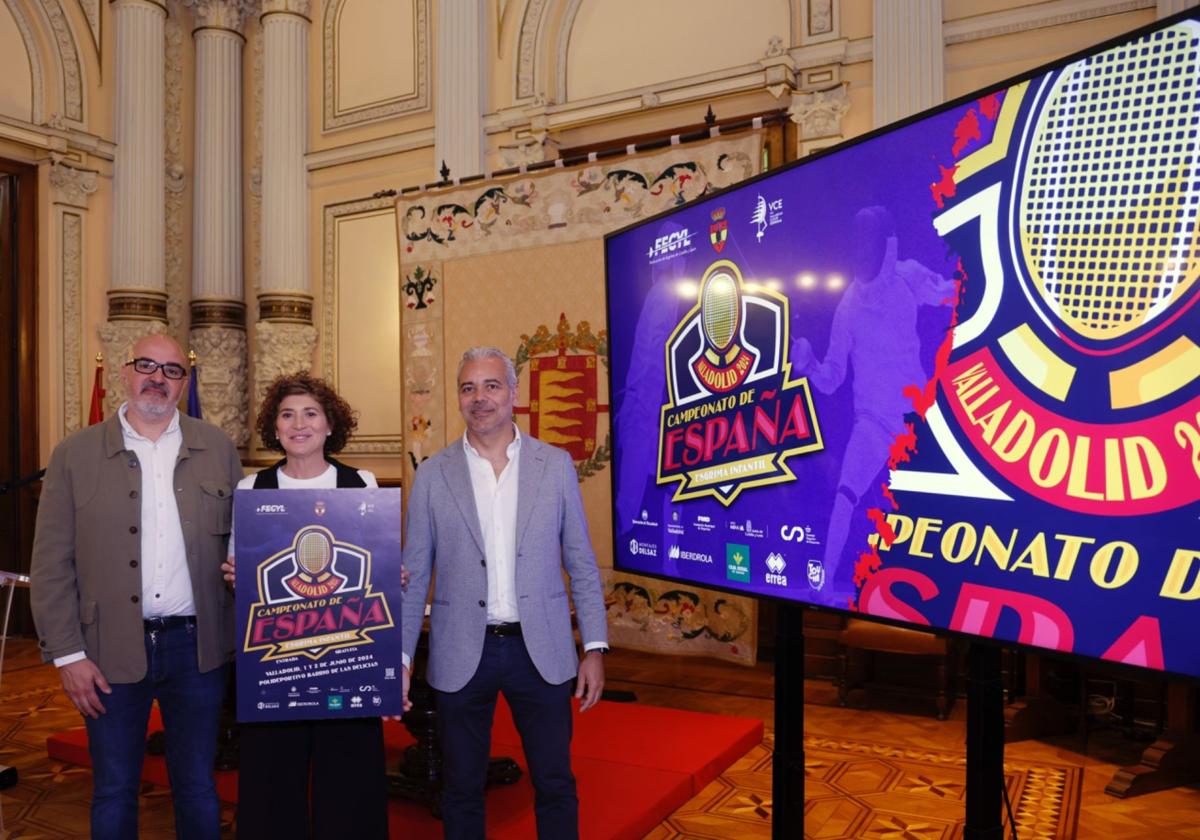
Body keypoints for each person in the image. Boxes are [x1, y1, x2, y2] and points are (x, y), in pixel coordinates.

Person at [30, 333, 242, 840]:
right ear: (126, 372)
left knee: (196, 787)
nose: (157, 378)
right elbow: (51, 563)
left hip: (198, 650)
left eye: (171, 370)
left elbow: (248, 542)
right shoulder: (73, 455)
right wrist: (67, 656)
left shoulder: (216, 448)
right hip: (106, 654)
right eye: (147, 365)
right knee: (114, 789)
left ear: (183, 383)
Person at [401, 346, 609, 840]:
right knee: (461, 787)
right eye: (468, 387)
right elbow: (413, 574)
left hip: (540, 651)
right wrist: (401, 659)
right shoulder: (432, 474)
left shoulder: (555, 466)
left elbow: (580, 562)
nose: (480, 398)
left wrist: (595, 647)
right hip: (459, 651)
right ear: (459, 397)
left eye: (491, 385)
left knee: (555, 781)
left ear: (514, 394)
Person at [221, 372, 390, 840]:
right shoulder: (251, 489)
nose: (299, 424)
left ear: (329, 424)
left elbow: (374, 566)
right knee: (273, 794)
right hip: (276, 669)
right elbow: (242, 570)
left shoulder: (362, 483)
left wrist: (388, 574)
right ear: (274, 429)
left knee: (350, 794)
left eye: (310, 413)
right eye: (287, 414)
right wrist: (238, 577)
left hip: (348, 664)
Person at [792, 206, 955, 591]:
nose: (860, 249)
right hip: (872, 422)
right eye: (856, 239)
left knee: (938, 504)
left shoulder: (908, 275)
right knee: (845, 495)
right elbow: (832, 379)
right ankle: (824, 586)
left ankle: (944, 592)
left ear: (885, 243)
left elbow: (949, 294)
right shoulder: (847, 306)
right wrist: (810, 364)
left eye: (868, 239)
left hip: (917, 418)